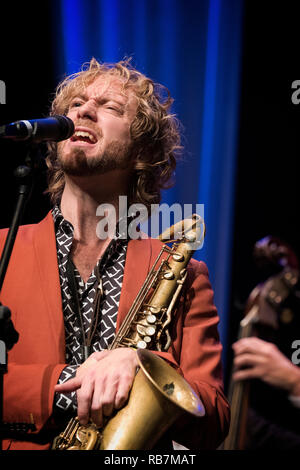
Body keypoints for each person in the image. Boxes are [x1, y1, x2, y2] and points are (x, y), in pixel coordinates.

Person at [0, 58, 230, 450]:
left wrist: (143, 367)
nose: (84, 111)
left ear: (142, 150)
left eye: (110, 107)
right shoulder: (1, 250)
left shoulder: (186, 272)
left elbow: (216, 415)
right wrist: (71, 386)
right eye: (76, 105)